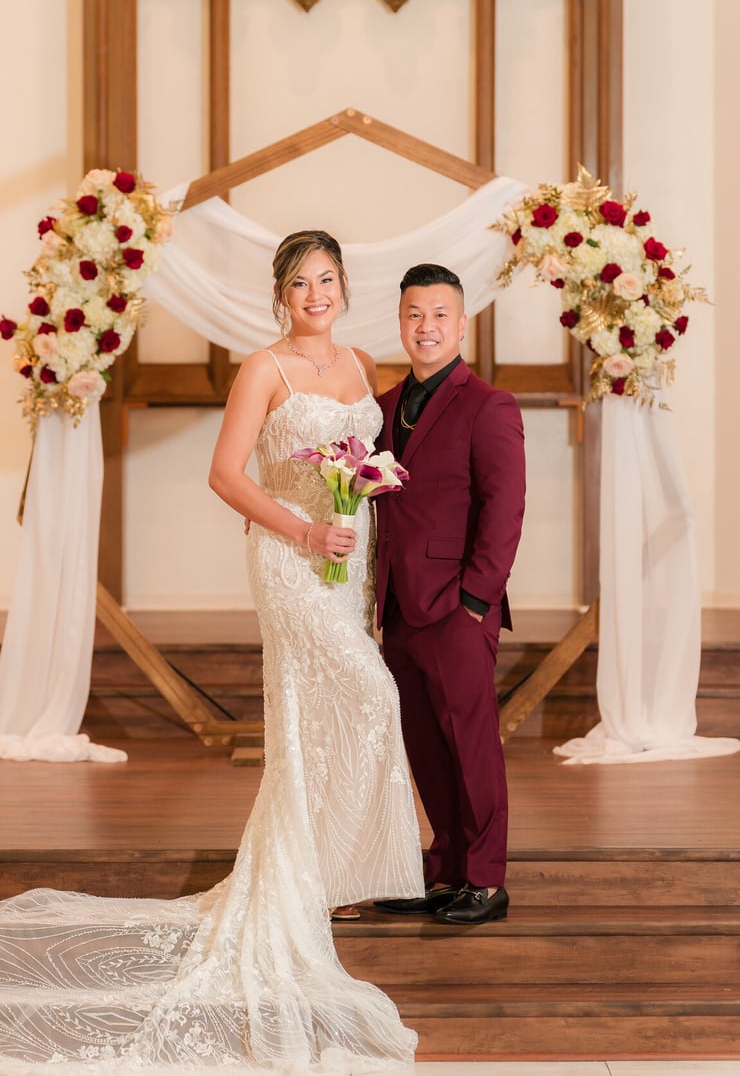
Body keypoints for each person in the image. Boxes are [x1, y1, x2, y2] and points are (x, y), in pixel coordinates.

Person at [0, 231, 424, 1074]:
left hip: (349, 554)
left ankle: (317, 871)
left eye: (328, 279)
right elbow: (228, 475)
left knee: (324, 718)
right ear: (280, 293)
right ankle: (315, 875)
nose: (316, 294)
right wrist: (305, 524)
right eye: (300, 282)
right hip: (291, 557)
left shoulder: (363, 359)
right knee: (371, 694)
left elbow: (364, 458)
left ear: (344, 286)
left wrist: (362, 493)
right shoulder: (262, 370)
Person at [373, 263, 525, 926]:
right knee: (423, 741)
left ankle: (485, 879)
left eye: (438, 314)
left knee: (471, 740)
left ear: (460, 324)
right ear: (400, 322)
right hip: (398, 602)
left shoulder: (488, 404)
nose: (425, 326)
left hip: (458, 603)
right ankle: (446, 868)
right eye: (413, 314)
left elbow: (504, 507)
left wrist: (475, 598)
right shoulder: (382, 407)